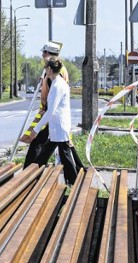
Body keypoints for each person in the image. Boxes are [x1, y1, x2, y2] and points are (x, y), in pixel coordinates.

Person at [22, 42, 84, 171]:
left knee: (39, 143)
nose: (41, 55)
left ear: (47, 53)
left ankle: (29, 172)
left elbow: (53, 96)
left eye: (43, 53)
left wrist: (38, 125)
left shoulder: (55, 75)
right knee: (61, 146)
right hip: (52, 115)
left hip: (51, 114)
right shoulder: (58, 70)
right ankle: (78, 171)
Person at [30, 57, 78, 185]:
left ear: (50, 69)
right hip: (58, 127)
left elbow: (50, 111)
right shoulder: (59, 83)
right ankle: (32, 177)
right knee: (47, 154)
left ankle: (74, 183)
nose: (45, 71)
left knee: (65, 156)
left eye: (46, 68)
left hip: (59, 127)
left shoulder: (57, 86)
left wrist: (35, 129)